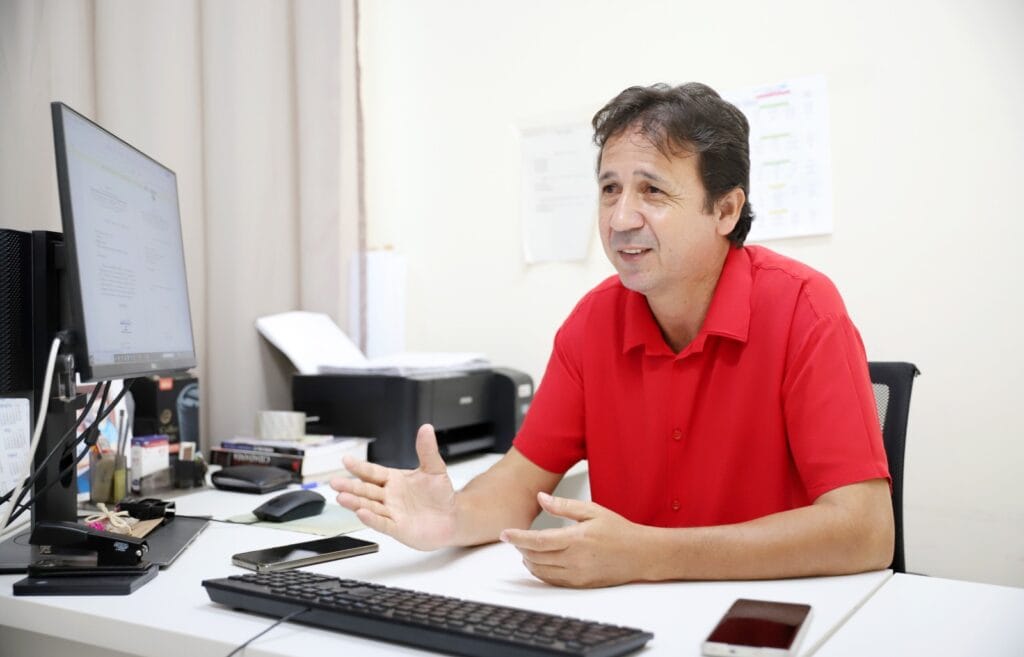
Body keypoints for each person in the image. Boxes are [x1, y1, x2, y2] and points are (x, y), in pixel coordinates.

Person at [331, 82, 893, 588]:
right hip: (630, 618)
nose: (621, 218)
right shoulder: (592, 323)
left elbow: (866, 531)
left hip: (764, 620)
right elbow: (521, 481)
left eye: (652, 191)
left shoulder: (803, 307)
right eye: (609, 189)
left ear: (725, 209)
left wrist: (653, 556)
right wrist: (452, 518)